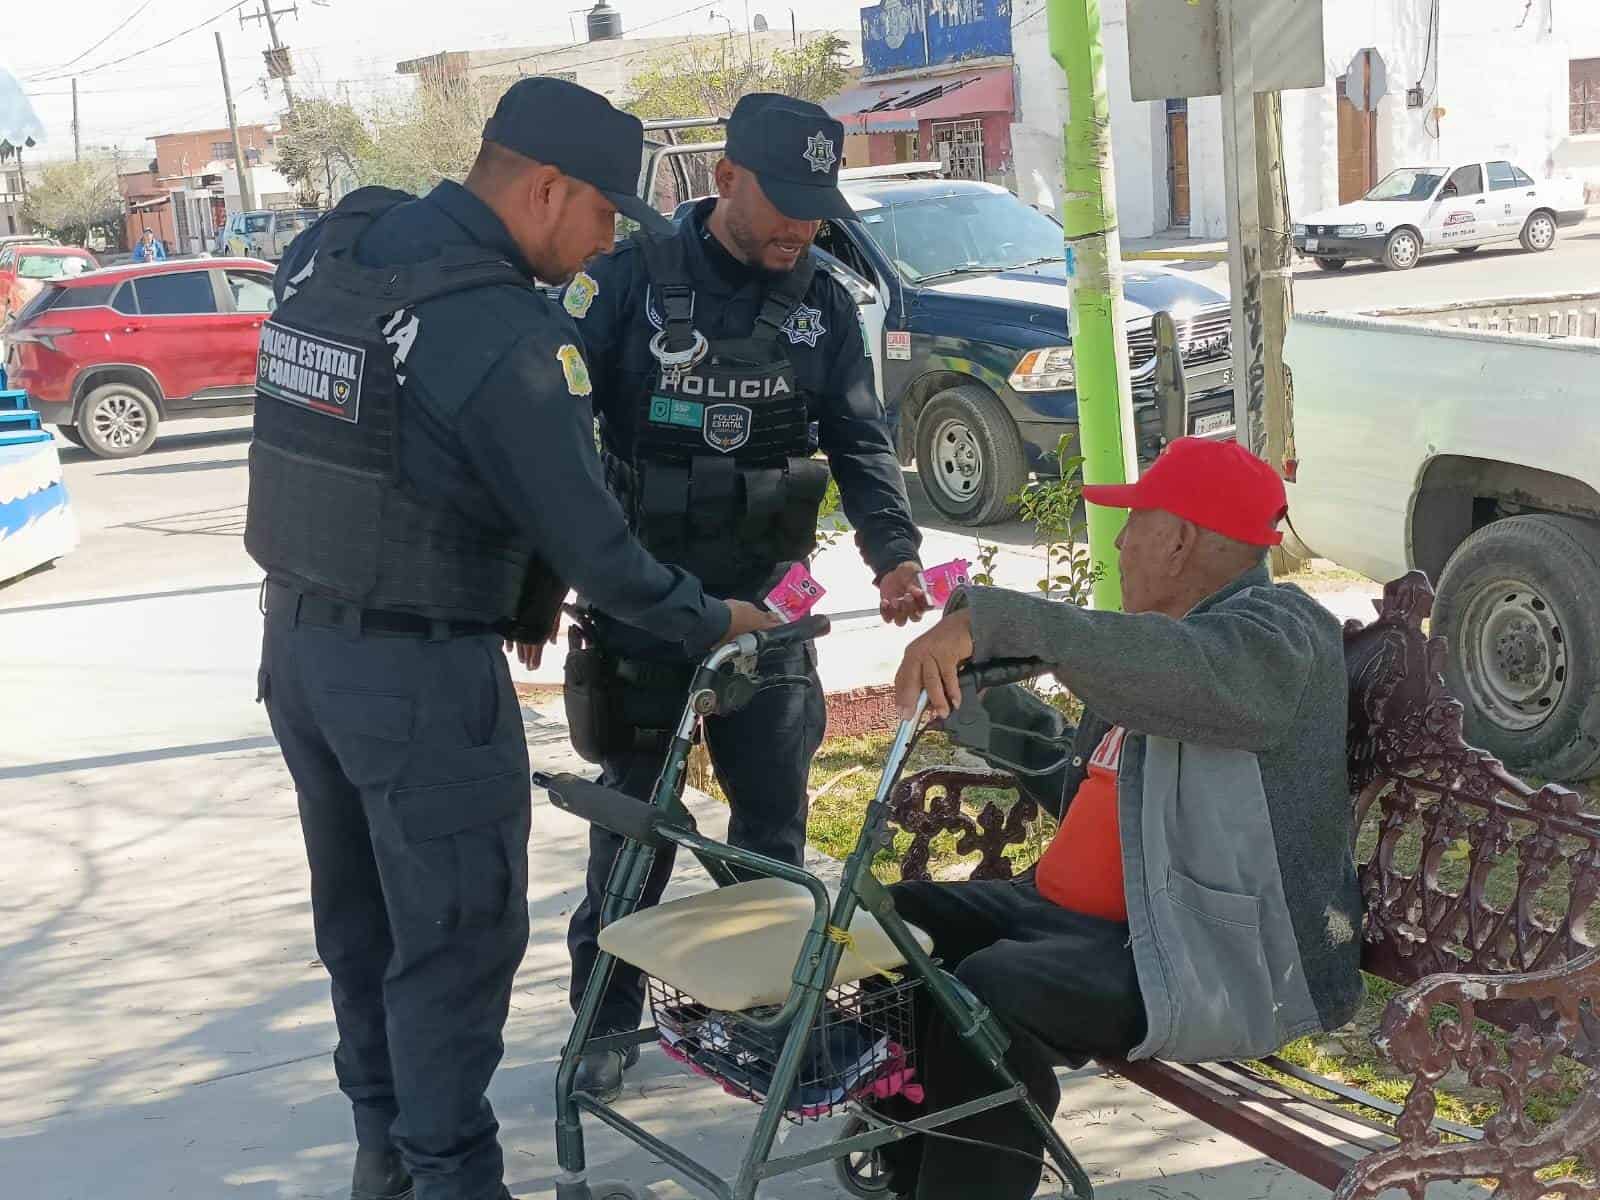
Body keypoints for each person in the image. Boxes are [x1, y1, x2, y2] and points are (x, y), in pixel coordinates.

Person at [247, 78, 777, 1200]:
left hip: (300, 648)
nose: (597, 251)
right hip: (417, 681)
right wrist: (710, 619)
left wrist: (519, 599)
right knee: (453, 938)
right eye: (598, 218)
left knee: (363, 926)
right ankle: (451, 1180)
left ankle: (384, 1156)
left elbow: (410, 454)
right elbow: (601, 551)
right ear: (546, 188)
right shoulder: (496, 325)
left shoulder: (344, 247)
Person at [557, 92, 928, 1099]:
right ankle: (602, 1025)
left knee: (771, 836)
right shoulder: (626, 287)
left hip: (770, 616)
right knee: (634, 834)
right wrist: (536, 580)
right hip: (646, 607)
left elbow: (859, 441)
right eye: (783, 202)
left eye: (816, 204)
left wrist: (894, 554)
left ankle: (767, 1019)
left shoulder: (825, 304)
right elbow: (549, 441)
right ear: (724, 180)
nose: (799, 227)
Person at [882, 438, 1365, 1200]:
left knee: (986, 986)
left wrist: (1002, 621)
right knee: (887, 925)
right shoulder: (1157, 646)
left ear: (1178, 541)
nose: (1117, 540)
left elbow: (1196, 670)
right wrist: (983, 702)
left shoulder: (1281, 633)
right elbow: (1089, 791)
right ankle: (920, 1169)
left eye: (1133, 521)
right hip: (1066, 915)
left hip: (1200, 955)